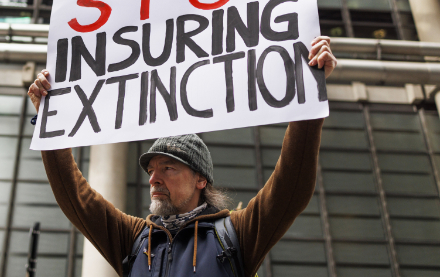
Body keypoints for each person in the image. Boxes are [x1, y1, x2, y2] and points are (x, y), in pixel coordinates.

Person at [28, 36, 337, 277]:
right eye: (151, 169)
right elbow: (74, 196)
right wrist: (49, 122)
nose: (153, 178)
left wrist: (310, 95)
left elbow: (290, 186)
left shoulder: (237, 233)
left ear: (200, 179)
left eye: (167, 167)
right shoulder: (133, 238)